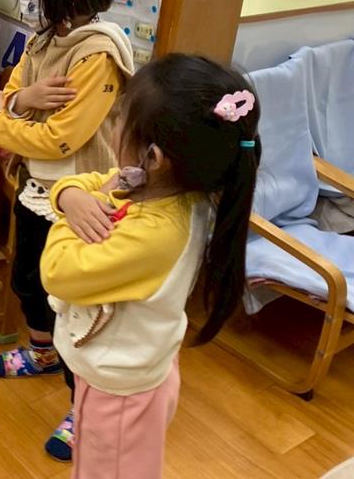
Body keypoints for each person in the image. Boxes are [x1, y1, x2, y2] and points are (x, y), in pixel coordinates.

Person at [41, 55, 260, 479]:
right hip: (128, 369)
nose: (114, 126)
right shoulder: (166, 187)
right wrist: (70, 195)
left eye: (119, 119)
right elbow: (94, 182)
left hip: (120, 393)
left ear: (155, 157)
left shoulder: (157, 235)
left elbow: (58, 272)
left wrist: (77, 209)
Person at [0, 0, 134, 462]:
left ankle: (84, 408)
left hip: (82, 199)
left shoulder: (99, 54)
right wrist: (17, 103)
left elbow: (60, 137)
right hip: (36, 188)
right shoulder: (47, 37)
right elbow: (9, 93)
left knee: (77, 307)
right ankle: (43, 354)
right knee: (29, 278)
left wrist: (0, 123)